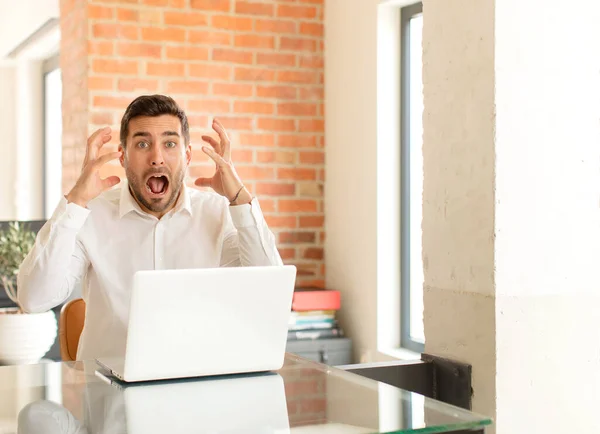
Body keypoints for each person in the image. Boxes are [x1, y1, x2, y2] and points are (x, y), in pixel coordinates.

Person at [17, 94, 282, 361]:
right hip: (108, 395)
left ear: (187, 155)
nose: (157, 158)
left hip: (196, 386)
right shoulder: (90, 213)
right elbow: (34, 298)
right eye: (142, 144)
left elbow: (271, 295)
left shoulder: (217, 212)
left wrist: (240, 198)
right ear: (123, 157)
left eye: (169, 143)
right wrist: (75, 201)